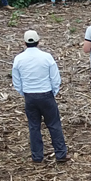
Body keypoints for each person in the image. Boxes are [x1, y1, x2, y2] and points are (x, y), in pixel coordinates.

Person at [12, 30, 68, 163]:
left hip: (30, 96)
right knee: (54, 124)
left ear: (24, 43)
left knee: (34, 127)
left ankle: (37, 156)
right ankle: (60, 154)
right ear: (38, 41)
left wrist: (24, 92)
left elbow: (16, 80)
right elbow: (55, 78)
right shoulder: (47, 57)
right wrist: (53, 92)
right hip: (46, 94)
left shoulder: (19, 59)